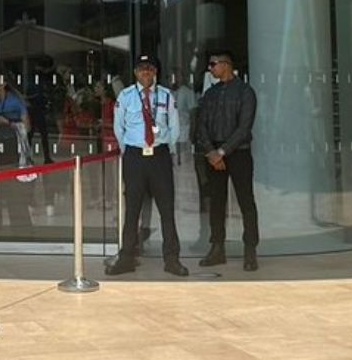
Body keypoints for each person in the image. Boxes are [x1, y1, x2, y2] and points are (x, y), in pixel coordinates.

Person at [107, 53, 188, 278]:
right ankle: (126, 258)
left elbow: (175, 128)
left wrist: (163, 146)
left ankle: (172, 259)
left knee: (166, 209)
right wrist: (130, 149)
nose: (146, 72)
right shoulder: (125, 96)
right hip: (134, 157)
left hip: (159, 157)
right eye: (142, 68)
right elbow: (118, 128)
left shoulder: (166, 96)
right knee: (132, 210)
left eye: (150, 68)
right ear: (135, 72)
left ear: (156, 72)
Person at [195, 51, 259, 271]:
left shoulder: (245, 92)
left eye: (213, 64)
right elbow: (200, 124)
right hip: (214, 155)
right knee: (216, 203)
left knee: (245, 201)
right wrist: (212, 152)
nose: (210, 68)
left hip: (238, 152)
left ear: (226, 65)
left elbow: (244, 127)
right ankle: (217, 247)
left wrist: (222, 151)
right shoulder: (210, 94)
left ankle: (250, 249)